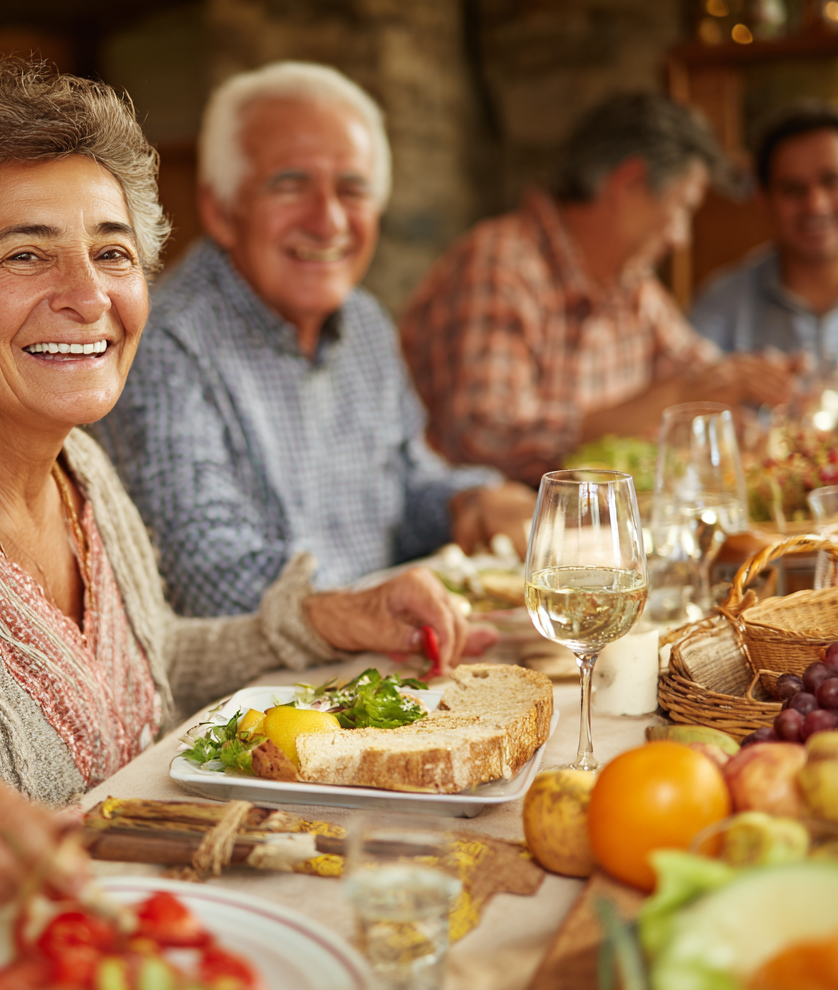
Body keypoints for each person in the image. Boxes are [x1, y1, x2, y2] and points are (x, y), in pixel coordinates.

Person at [0, 59, 479, 931]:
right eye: (26, 253)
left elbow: (148, 667)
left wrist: (319, 621)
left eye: (112, 253)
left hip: (124, 954)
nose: (88, 296)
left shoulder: (80, 468)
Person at [93, 62, 536, 620]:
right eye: (290, 185)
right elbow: (214, 582)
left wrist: (471, 501)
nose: (328, 221)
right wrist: (374, 611)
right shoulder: (163, 344)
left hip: (374, 673)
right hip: (256, 699)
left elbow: (406, 484)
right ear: (222, 211)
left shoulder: (365, 321)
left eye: (352, 189)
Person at [400, 93, 799, 488]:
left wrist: (753, 384)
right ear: (628, 183)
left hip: (608, 537)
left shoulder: (631, 284)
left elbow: (699, 374)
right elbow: (483, 437)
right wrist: (675, 397)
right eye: (681, 208)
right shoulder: (500, 265)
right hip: (503, 542)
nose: (681, 238)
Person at [690, 101, 838, 371]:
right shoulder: (721, 305)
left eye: (832, 181)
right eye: (793, 189)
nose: (815, 204)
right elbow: (690, 397)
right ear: (763, 200)